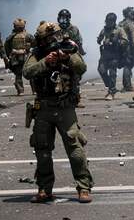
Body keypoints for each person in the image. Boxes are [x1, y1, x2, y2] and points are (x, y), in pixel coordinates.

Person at [24, 21, 93, 203]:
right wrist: (45, 63)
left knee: (75, 149)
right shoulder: (37, 54)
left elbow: (82, 67)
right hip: (44, 108)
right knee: (42, 150)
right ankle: (44, 189)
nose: (51, 40)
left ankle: (83, 188)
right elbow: (27, 72)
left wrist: (67, 58)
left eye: (53, 36)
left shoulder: (69, 48)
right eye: (47, 38)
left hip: (65, 107)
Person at [58, 8, 86, 107]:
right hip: (59, 55)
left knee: (75, 77)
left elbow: (79, 42)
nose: (63, 20)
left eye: (65, 18)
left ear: (69, 18)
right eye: (61, 18)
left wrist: (81, 52)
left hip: (72, 55)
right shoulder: (56, 29)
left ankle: (76, 99)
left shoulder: (74, 29)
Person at [96, 13, 127, 100]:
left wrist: (116, 42)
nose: (108, 23)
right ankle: (110, 86)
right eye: (107, 21)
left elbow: (125, 41)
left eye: (109, 21)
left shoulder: (119, 30)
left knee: (112, 73)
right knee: (101, 70)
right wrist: (100, 40)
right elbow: (99, 38)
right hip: (105, 54)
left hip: (114, 55)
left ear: (113, 22)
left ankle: (111, 91)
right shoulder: (104, 29)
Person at [4, 18, 35, 96]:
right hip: (24, 57)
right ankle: (34, 90)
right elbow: (35, 43)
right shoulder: (27, 35)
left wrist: (9, 56)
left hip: (18, 58)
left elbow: (6, 47)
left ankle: (21, 91)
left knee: (19, 75)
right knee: (30, 74)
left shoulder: (11, 36)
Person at [118, 7, 134, 93]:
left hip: (122, 48)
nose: (133, 15)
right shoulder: (129, 24)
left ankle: (127, 85)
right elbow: (133, 37)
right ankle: (127, 86)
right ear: (127, 14)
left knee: (127, 66)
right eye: (132, 13)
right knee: (128, 66)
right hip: (129, 48)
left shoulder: (121, 23)